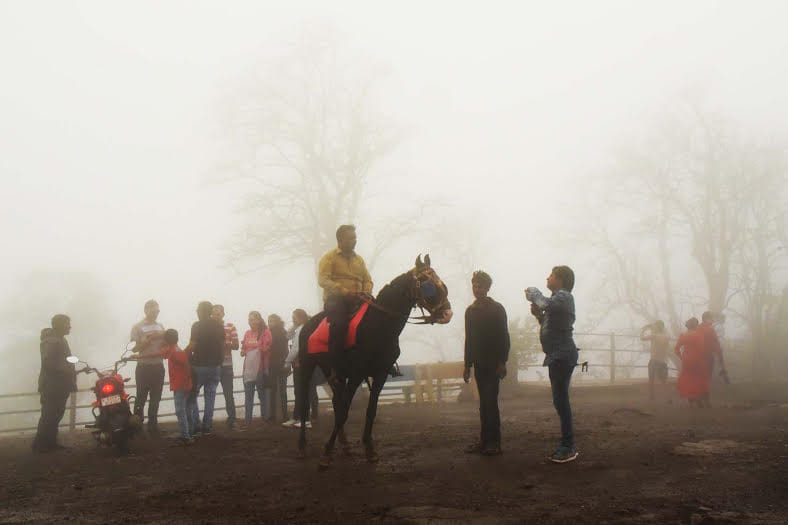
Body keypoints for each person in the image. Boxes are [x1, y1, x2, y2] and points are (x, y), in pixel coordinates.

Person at [526, 265, 579, 464]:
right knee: (559, 400)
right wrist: (538, 315)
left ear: (561, 280)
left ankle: (568, 446)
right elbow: (549, 323)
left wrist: (534, 294)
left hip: (562, 355)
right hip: (558, 355)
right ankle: (567, 444)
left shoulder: (564, 296)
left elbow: (544, 302)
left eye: (551, 275)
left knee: (561, 400)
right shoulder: (557, 301)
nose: (547, 277)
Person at [462, 271, 510, 456]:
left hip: (493, 363)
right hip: (479, 364)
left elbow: (503, 336)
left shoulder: (497, 309)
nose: (476, 289)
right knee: (484, 403)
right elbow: (469, 340)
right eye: (474, 285)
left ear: (487, 287)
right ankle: (484, 441)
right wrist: (467, 366)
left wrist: (502, 361)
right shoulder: (470, 311)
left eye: (480, 285)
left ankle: (494, 443)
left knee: (490, 402)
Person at [317, 224, 373, 379]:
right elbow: (323, 279)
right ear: (340, 239)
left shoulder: (359, 259)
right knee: (340, 324)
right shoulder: (329, 258)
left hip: (360, 298)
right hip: (336, 300)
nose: (355, 241)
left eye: (355, 238)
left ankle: (381, 361)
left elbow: (368, 279)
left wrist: (366, 292)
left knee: (379, 319)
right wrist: (344, 292)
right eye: (351, 238)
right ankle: (336, 367)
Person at [32, 315, 77, 454]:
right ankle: (40, 445)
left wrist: (71, 370)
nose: (70, 326)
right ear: (59, 325)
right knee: (50, 414)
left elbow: (60, 362)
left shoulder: (59, 340)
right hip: (53, 385)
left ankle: (49, 443)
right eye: (67, 324)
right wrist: (67, 371)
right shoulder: (52, 341)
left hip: (58, 384)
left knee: (55, 414)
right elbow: (49, 363)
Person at [187, 301, 225, 435]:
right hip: (215, 366)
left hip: (198, 366)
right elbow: (222, 344)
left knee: (192, 395)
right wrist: (219, 361)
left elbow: (192, 345)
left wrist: (182, 355)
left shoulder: (197, 326)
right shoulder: (218, 326)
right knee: (210, 396)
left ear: (201, 311)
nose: (196, 312)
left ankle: (196, 424)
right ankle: (207, 425)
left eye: (198, 310)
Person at [129, 300, 166, 435]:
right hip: (143, 366)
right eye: (154, 310)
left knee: (156, 397)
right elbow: (134, 348)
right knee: (141, 398)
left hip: (158, 366)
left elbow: (165, 344)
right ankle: (137, 427)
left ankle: (153, 425)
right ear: (146, 310)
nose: (156, 313)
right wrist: (149, 340)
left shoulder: (161, 326)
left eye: (158, 311)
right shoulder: (137, 327)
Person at [283, 309, 319, 428]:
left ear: (300, 318)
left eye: (294, 317)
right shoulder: (299, 329)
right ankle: (297, 417)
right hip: (300, 364)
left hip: (302, 364)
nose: (292, 319)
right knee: (299, 392)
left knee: (302, 392)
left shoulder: (302, 329)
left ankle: (305, 419)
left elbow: (296, 348)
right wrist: (294, 325)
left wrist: (287, 362)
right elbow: (287, 336)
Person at [158, 329, 195, 444]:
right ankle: (188, 432)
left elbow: (185, 369)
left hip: (180, 385)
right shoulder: (176, 350)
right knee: (185, 409)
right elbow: (163, 353)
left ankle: (186, 436)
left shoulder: (175, 352)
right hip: (182, 384)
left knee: (180, 410)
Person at [240, 311, 271, 426]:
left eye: (253, 319)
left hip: (260, 368)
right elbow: (243, 349)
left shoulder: (265, 332)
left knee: (262, 395)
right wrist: (243, 351)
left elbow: (266, 348)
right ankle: (248, 420)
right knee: (248, 395)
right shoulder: (247, 333)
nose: (251, 321)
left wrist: (257, 350)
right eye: (250, 319)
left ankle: (264, 418)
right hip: (247, 370)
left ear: (259, 320)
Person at [211, 304, 239, 429]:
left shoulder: (230, 326)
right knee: (210, 393)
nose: (215, 315)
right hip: (212, 365)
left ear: (223, 314)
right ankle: (208, 420)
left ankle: (232, 419)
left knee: (228, 393)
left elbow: (236, 345)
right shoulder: (209, 328)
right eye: (213, 313)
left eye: (218, 313)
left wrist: (221, 345)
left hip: (227, 365)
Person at [674, 317, 710, 407]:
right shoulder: (698, 335)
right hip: (698, 359)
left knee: (688, 379)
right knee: (698, 379)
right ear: (696, 325)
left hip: (686, 360)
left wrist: (681, 357)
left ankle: (691, 400)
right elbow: (702, 349)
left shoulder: (683, 335)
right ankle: (698, 399)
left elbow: (676, 349)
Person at [267, 314, 289, 422]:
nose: (270, 323)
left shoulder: (270, 333)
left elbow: (283, 349)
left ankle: (273, 415)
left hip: (275, 365)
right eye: (269, 321)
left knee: (275, 390)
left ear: (277, 321)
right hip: (281, 364)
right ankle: (284, 415)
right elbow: (286, 350)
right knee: (281, 390)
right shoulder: (283, 332)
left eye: (271, 321)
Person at [640, 320, 671, 401]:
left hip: (654, 360)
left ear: (656, 328)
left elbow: (642, 338)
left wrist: (644, 329)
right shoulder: (667, 336)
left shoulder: (654, 336)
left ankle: (651, 396)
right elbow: (663, 331)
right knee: (664, 380)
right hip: (663, 361)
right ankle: (668, 397)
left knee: (651, 379)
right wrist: (656, 327)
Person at [698, 311, 728, 391]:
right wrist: (719, 353)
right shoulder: (710, 329)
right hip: (708, 354)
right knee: (707, 374)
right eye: (712, 318)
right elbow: (715, 342)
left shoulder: (698, 328)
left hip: (698, 354)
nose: (713, 320)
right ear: (707, 319)